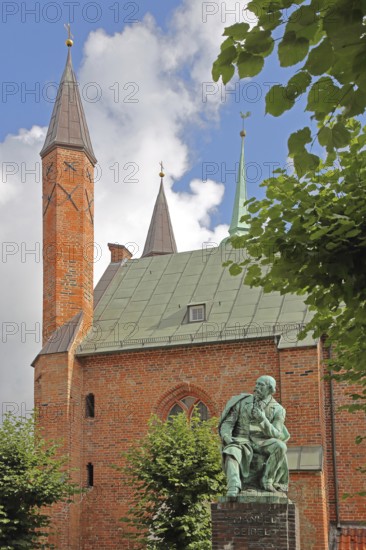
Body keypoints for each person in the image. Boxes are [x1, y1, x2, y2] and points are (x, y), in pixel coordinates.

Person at [219, 375, 290, 496]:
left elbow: (277, 434)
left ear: (270, 389)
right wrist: (226, 436)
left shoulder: (278, 409)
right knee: (231, 451)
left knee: (280, 446)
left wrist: (263, 420)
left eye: (261, 385)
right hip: (241, 440)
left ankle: (267, 480)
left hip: (262, 442)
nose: (256, 387)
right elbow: (228, 423)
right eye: (256, 384)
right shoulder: (241, 402)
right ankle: (234, 486)